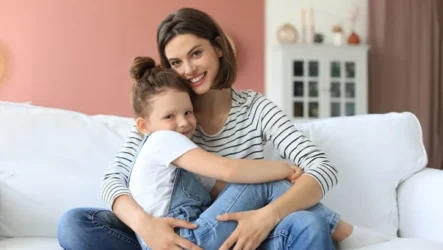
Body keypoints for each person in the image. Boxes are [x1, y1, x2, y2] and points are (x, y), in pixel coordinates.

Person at [58, 7, 393, 250]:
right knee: (74, 225)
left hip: (240, 233)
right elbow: (112, 180)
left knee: (307, 223)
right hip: (173, 233)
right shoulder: (165, 119)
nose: (188, 69)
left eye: (196, 53)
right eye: (176, 62)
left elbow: (322, 168)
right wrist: (149, 228)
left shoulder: (256, 108)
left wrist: (268, 216)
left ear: (218, 47)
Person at [127, 56, 337, 249]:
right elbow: (228, 170)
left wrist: (265, 211)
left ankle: (329, 226)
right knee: (258, 183)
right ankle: (339, 228)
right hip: (184, 239)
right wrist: (283, 169)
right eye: (169, 116)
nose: (183, 123)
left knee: (305, 223)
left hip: (194, 237)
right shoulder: (162, 140)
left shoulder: (183, 162)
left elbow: (223, 189)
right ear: (144, 126)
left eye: (188, 112)